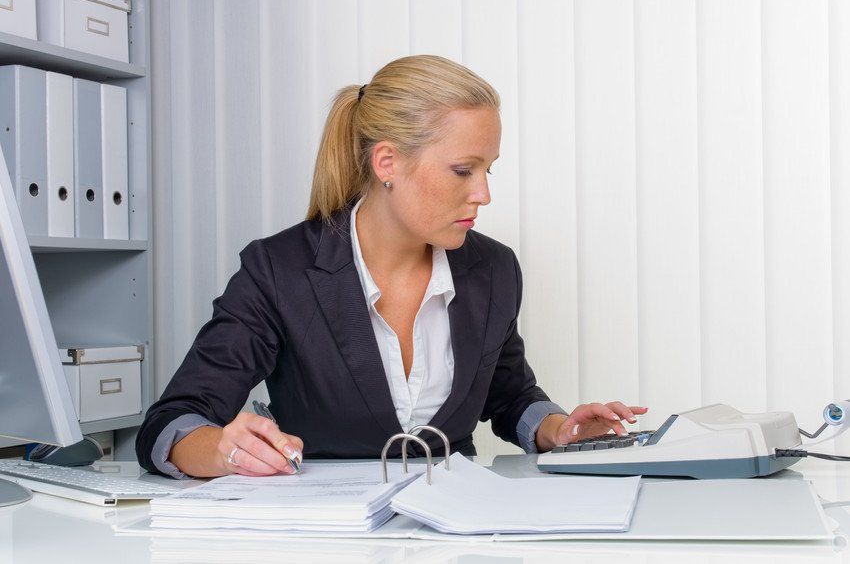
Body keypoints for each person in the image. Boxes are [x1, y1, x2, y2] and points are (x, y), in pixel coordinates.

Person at [135, 55, 647, 478]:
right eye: (463, 170)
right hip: (325, 536)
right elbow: (172, 422)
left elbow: (509, 393)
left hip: (457, 531)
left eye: (488, 170)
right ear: (387, 163)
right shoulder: (279, 270)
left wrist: (559, 429)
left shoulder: (493, 269)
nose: (484, 193)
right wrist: (222, 449)